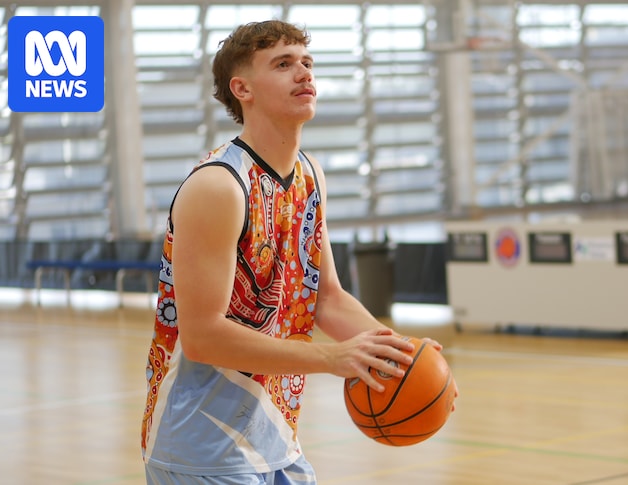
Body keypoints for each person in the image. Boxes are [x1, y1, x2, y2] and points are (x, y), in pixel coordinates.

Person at [141, 19, 446, 484]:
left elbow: (327, 299)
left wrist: (407, 357)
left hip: (276, 438)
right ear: (241, 88)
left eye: (307, 62)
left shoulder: (310, 175)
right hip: (200, 445)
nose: (304, 74)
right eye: (283, 65)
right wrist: (331, 359)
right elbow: (203, 337)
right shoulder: (218, 187)